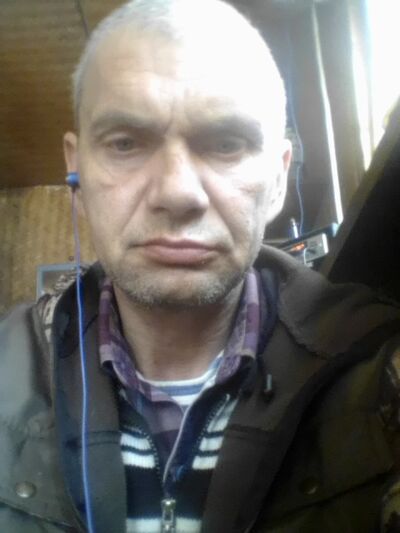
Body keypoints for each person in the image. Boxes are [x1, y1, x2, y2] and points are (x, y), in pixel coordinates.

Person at [1, 1, 400, 532]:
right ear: (77, 171)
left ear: (278, 179)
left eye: (226, 144)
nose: (177, 193)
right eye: (125, 143)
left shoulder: (380, 369)